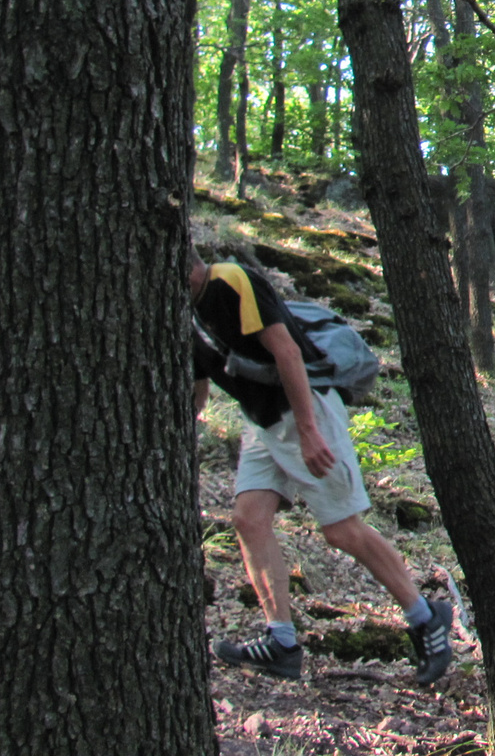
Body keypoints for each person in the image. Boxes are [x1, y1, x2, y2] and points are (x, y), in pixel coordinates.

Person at [190, 249, 452, 683]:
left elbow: (287, 352)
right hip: (263, 423)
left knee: (341, 528)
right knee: (249, 519)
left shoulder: (229, 281)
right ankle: (282, 643)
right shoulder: (187, 312)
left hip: (304, 411)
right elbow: (202, 376)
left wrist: (310, 431)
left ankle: (426, 618)